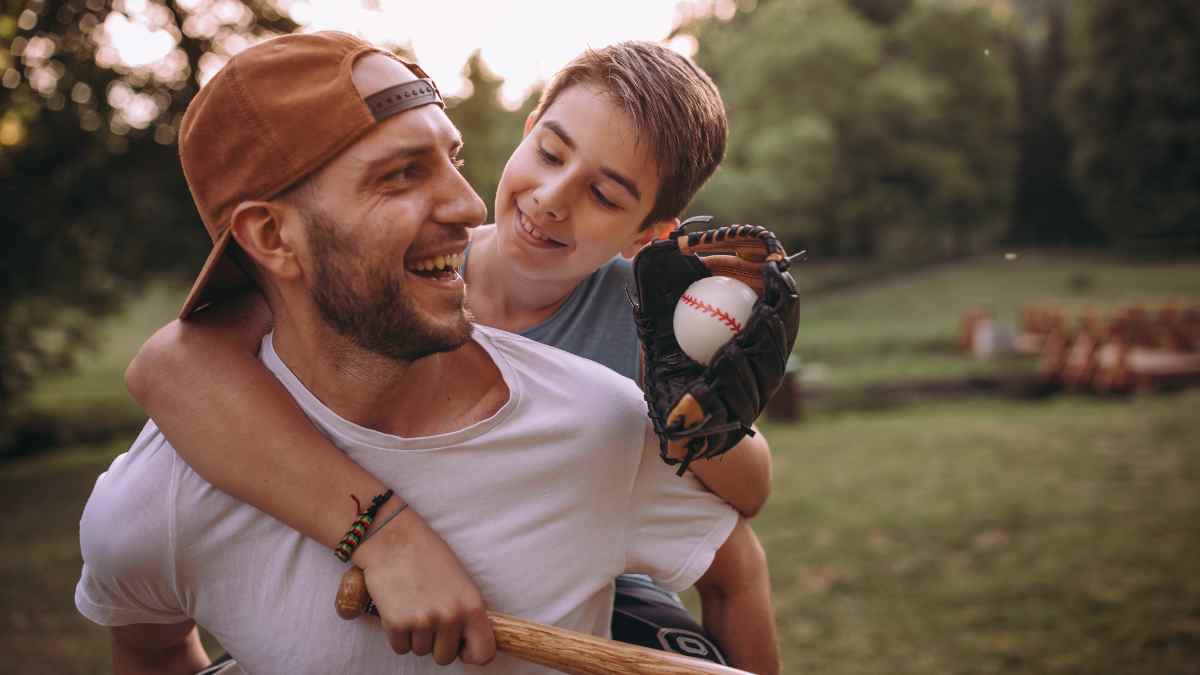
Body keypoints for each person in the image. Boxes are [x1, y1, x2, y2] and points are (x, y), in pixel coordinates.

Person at [76, 32, 776, 675]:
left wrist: (694, 420)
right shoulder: (383, 282)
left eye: (603, 192)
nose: (482, 204)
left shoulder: (631, 366)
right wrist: (383, 532)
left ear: (646, 233)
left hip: (614, 584)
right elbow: (171, 365)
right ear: (530, 131)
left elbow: (740, 520)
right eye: (552, 154)